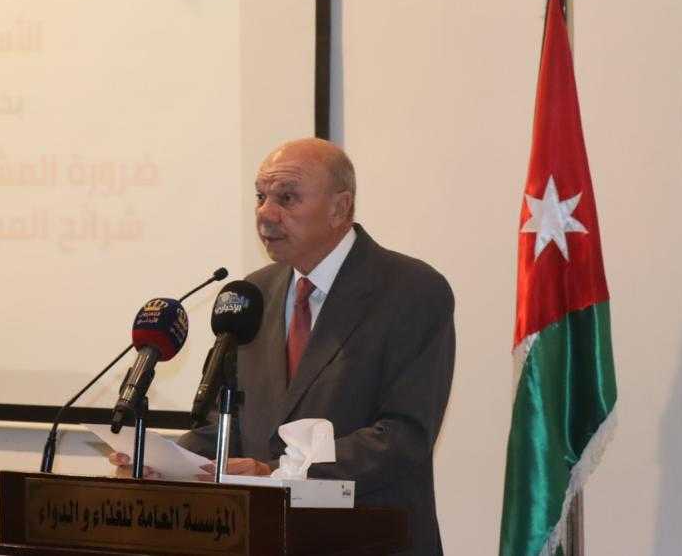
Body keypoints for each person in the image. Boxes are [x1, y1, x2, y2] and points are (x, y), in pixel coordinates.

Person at [112, 138, 455, 555]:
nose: (265, 213)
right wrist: (167, 465)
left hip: (369, 540)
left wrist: (276, 476)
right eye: (261, 197)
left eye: (286, 198)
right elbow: (224, 423)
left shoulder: (411, 290)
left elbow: (403, 437)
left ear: (340, 207)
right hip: (264, 540)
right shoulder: (253, 293)